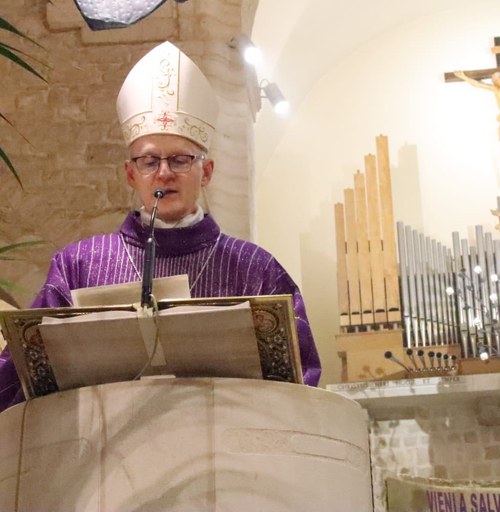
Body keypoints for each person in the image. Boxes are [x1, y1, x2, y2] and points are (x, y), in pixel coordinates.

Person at [0, 42, 321, 412]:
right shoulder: (77, 268)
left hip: (226, 462)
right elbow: (21, 381)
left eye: (181, 159)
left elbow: (300, 387)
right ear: (130, 173)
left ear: (207, 172)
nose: (165, 172)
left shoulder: (256, 270)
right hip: (102, 460)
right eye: (150, 160)